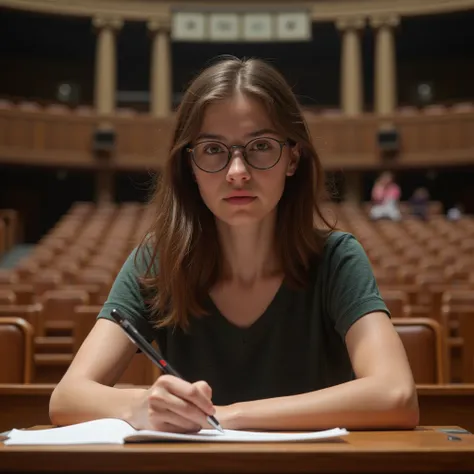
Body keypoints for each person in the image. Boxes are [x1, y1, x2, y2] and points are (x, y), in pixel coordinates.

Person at [50, 57, 418, 433]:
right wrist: (141, 405)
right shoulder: (156, 261)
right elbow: (67, 398)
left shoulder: (338, 260)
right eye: (212, 149)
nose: (237, 172)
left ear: (292, 157)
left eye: (260, 146)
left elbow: (396, 395)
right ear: (189, 165)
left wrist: (227, 416)